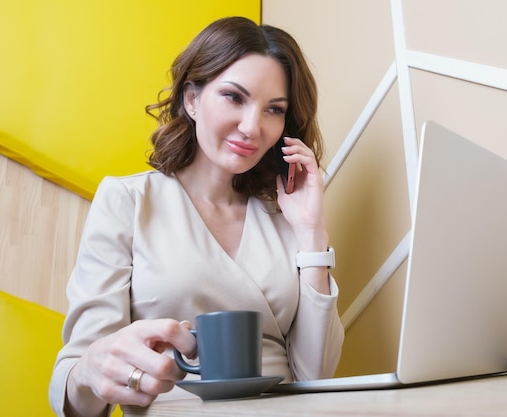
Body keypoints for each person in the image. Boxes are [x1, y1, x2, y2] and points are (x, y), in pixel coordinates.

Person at [49, 16, 344, 417]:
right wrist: (91, 372)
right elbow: (75, 389)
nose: (251, 127)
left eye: (273, 109)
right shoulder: (129, 201)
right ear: (191, 99)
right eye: (234, 97)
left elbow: (316, 376)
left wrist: (311, 232)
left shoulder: (286, 217)